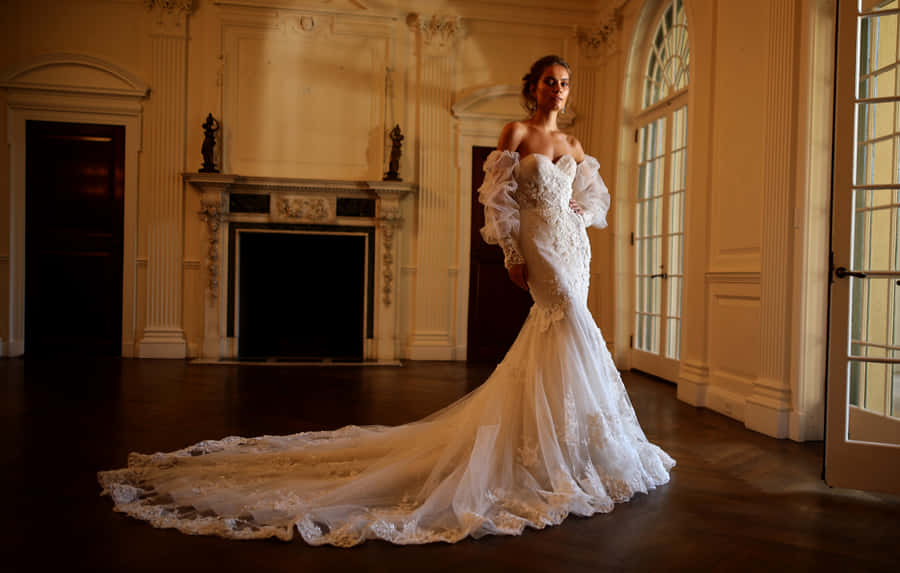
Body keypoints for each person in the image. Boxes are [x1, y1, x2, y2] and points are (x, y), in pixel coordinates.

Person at [98, 55, 675, 547]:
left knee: (565, 330)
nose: (558, 89)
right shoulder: (516, 135)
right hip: (541, 248)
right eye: (549, 80)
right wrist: (513, 255)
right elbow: (495, 201)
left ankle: (569, 446)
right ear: (533, 88)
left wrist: (580, 213)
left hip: (573, 245)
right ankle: (555, 443)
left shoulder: (573, 143)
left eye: (565, 82)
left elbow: (594, 197)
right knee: (566, 319)